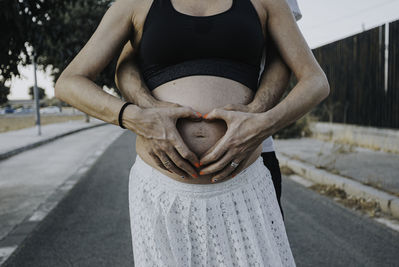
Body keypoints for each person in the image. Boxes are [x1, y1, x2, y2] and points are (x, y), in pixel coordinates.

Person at [55, 0, 329, 266]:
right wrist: (136, 117)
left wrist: (263, 122)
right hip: (162, 193)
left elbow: (315, 80)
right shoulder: (134, 4)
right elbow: (70, 82)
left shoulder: (268, 2)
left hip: (244, 184)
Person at [115, 0, 302, 221]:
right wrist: (146, 111)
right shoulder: (138, 6)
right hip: (161, 180)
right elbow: (128, 59)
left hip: (249, 154)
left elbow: (282, 56)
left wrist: (257, 115)